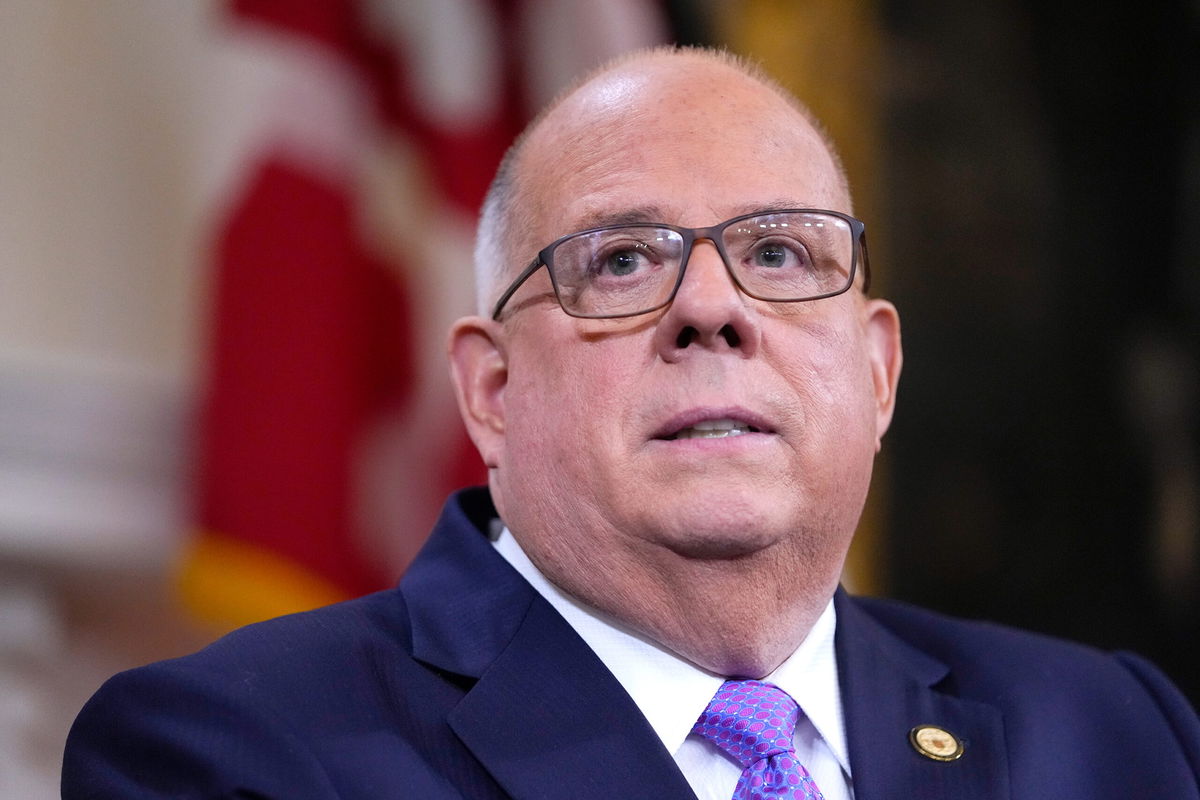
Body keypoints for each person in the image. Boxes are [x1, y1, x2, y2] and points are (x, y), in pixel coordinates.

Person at [63, 46, 1199, 800]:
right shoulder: (236, 754)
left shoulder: (1119, 737)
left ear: (879, 368)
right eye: (619, 261)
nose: (712, 306)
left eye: (778, 252)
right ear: (493, 390)